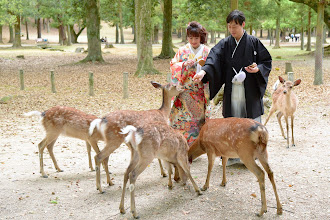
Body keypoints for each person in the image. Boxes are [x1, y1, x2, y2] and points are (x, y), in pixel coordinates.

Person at [193, 10, 272, 165]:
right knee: (233, 120)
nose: (232, 30)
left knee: (250, 122)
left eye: (235, 26)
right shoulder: (225, 44)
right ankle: (233, 154)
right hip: (232, 89)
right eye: (229, 26)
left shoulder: (254, 42)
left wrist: (257, 69)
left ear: (243, 24)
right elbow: (213, 58)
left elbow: (266, 61)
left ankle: (252, 155)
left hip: (249, 89)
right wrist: (203, 72)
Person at [169, 21, 211, 146]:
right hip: (184, 91)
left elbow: (212, 68)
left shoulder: (207, 51)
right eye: (191, 38)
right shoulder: (182, 51)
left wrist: (204, 73)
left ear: (201, 37)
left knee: (197, 120)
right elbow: (173, 65)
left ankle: (195, 146)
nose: (193, 41)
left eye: (196, 38)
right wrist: (182, 65)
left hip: (200, 92)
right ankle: (181, 144)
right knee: (182, 118)